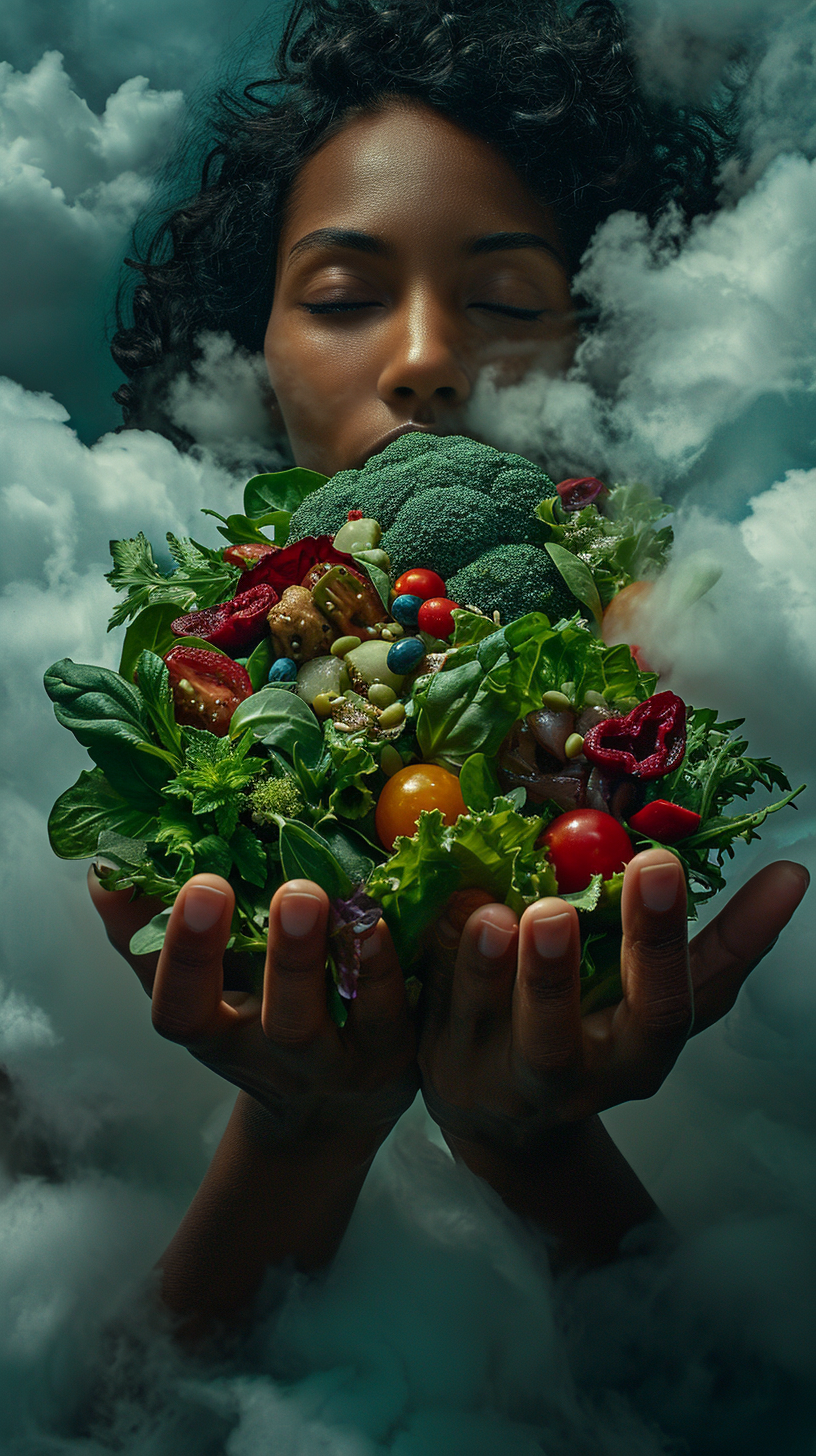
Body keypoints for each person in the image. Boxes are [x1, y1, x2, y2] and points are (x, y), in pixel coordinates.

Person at [90, 0, 808, 1337]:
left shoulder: (764, 683)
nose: (425, 361)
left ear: (611, 343)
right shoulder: (63, 779)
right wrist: (305, 1136)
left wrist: (536, 1147)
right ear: (247, 359)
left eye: (503, 301)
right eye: (346, 299)